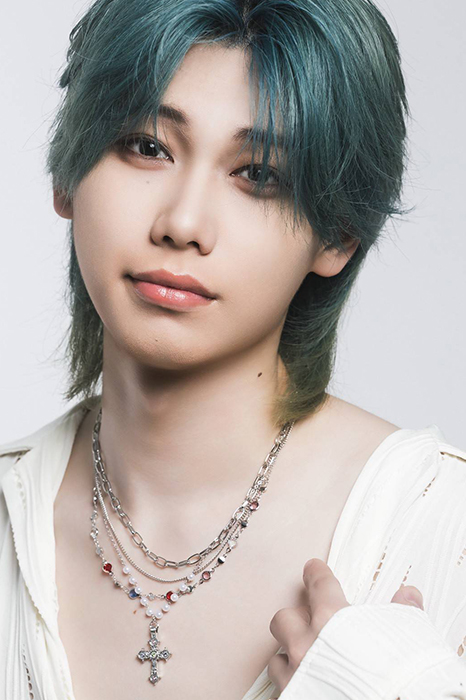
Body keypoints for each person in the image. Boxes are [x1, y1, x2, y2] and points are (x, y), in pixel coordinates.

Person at [1, 0, 465, 698]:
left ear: (338, 234)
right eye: (147, 146)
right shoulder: (13, 517)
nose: (183, 223)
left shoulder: (439, 527)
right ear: (67, 175)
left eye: (259, 175)